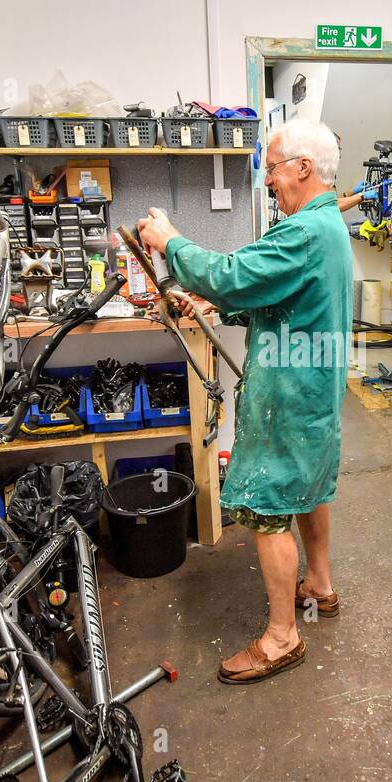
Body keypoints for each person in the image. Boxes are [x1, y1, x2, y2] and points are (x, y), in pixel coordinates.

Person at [136, 118, 353, 685]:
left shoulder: (304, 231)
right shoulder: (328, 227)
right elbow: (280, 296)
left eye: (274, 169)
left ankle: (282, 637)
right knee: (306, 486)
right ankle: (320, 587)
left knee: (265, 504)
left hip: (287, 393)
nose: (269, 182)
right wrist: (217, 308)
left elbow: (234, 275)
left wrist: (171, 243)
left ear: (303, 168)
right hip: (315, 390)